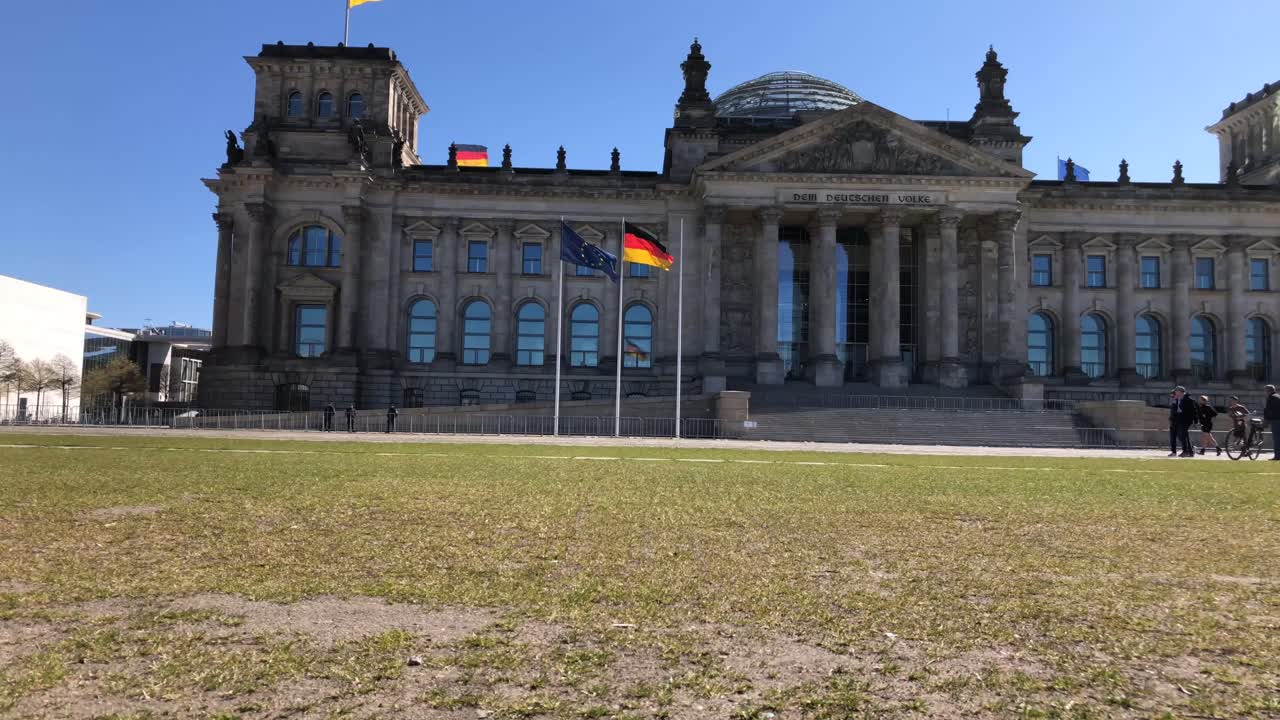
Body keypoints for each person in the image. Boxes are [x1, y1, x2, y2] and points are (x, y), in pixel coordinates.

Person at [1168, 386, 1197, 457]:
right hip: (1176, 419)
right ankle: (1185, 450)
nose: (1175, 393)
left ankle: (1187, 451)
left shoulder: (1188, 400)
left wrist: (1195, 421)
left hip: (1185, 420)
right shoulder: (1177, 400)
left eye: (1176, 391)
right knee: (1176, 435)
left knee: (1183, 435)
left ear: (1181, 392)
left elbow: (1194, 411)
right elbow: (1174, 411)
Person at [1265, 385, 1280, 460]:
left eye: (1266, 390)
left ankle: (1277, 456)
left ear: (1268, 390)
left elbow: (1268, 410)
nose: (1265, 392)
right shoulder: (1278, 396)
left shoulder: (1271, 397)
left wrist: (1266, 421)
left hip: (1276, 420)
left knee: (1276, 438)